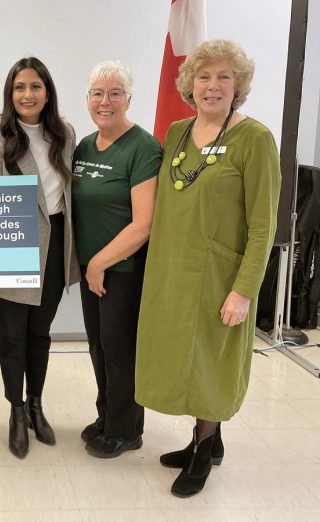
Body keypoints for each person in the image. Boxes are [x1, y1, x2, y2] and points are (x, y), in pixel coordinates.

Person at [135, 40, 281, 497]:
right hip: (172, 271)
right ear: (190, 84)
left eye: (223, 77)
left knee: (211, 364)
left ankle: (204, 450)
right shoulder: (177, 132)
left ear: (238, 85)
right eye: (203, 77)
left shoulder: (254, 139)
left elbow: (263, 227)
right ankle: (206, 438)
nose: (212, 86)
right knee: (183, 358)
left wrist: (243, 291)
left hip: (220, 276)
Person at [0, 57, 79, 459]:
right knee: (12, 337)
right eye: (20, 87)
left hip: (54, 248)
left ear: (47, 92)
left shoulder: (65, 134)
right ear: (10, 93)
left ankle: (36, 404)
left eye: (35, 86)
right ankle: (16, 411)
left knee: (40, 334)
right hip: (13, 250)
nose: (27, 94)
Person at [72, 61, 161, 459]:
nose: (104, 101)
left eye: (114, 93)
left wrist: (99, 262)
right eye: (97, 93)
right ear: (88, 99)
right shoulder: (85, 146)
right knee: (99, 345)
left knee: (120, 349)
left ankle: (127, 429)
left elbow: (144, 223)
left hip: (122, 269)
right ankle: (106, 415)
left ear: (128, 100)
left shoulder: (143, 147)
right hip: (93, 270)